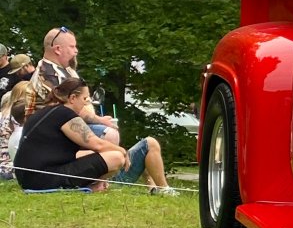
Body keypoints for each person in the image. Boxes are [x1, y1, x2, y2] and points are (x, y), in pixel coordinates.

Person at [13, 77, 176, 195]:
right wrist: (123, 152)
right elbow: (96, 144)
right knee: (117, 156)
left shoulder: (46, 113)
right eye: (85, 98)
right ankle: (162, 189)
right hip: (43, 179)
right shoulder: (65, 113)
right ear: (72, 98)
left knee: (111, 153)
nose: (87, 102)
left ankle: (99, 184)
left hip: (31, 177)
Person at [32, 27, 119, 144]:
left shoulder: (64, 69)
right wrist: (101, 120)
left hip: (67, 125)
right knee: (109, 134)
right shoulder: (49, 74)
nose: (76, 51)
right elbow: (69, 109)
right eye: (72, 47)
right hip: (56, 132)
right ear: (58, 49)